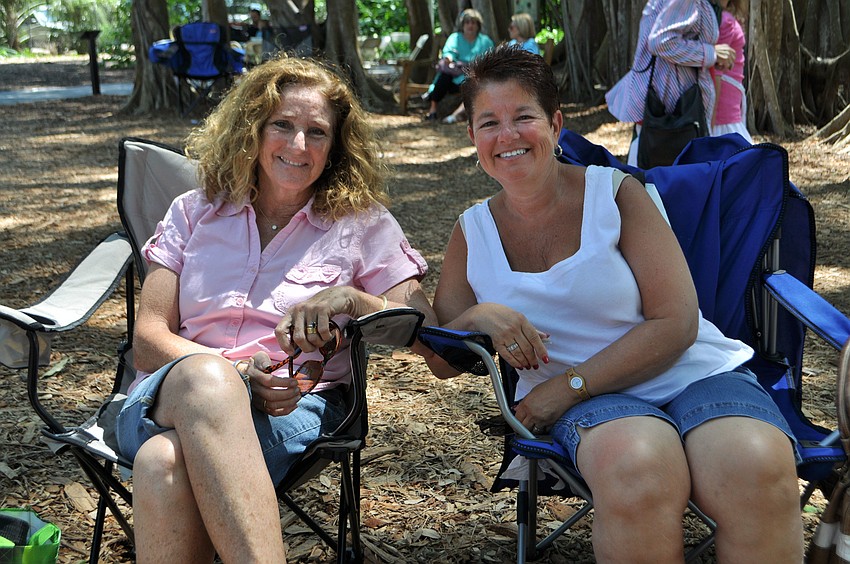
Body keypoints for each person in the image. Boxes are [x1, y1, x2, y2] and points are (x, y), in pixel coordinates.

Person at [429, 44, 803, 562]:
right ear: (472, 137)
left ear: (556, 124)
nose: (507, 136)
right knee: (638, 472)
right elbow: (442, 355)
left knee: (755, 468)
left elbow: (676, 322)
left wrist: (567, 387)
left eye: (524, 117)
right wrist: (479, 317)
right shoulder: (471, 233)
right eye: (489, 122)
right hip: (602, 408)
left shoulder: (617, 194)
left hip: (692, 373)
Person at [115, 55, 437, 563]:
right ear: (252, 128)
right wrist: (235, 373)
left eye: (317, 132)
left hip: (297, 408)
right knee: (206, 382)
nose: (298, 145)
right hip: (164, 397)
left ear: (335, 148)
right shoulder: (194, 211)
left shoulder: (361, 225)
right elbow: (150, 339)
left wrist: (354, 299)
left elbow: (430, 338)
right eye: (282, 125)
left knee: (162, 464)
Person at [605, 0, 737, 166]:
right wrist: (711, 53)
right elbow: (661, 41)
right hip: (672, 121)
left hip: (672, 121)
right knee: (665, 183)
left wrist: (710, 58)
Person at [422, 8, 494, 124]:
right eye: (467, 22)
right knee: (444, 76)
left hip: (474, 78)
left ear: (478, 25)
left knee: (476, 82)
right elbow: (449, 52)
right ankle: (433, 108)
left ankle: (457, 115)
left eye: (473, 22)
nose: (470, 25)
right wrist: (449, 58)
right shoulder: (455, 38)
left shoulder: (485, 41)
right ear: (463, 24)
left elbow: (490, 59)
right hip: (455, 77)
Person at [710, 0, 753, 143]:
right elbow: (716, 71)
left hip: (729, 111)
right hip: (722, 117)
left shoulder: (724, 16)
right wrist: (711, 121)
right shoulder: (723, 20)